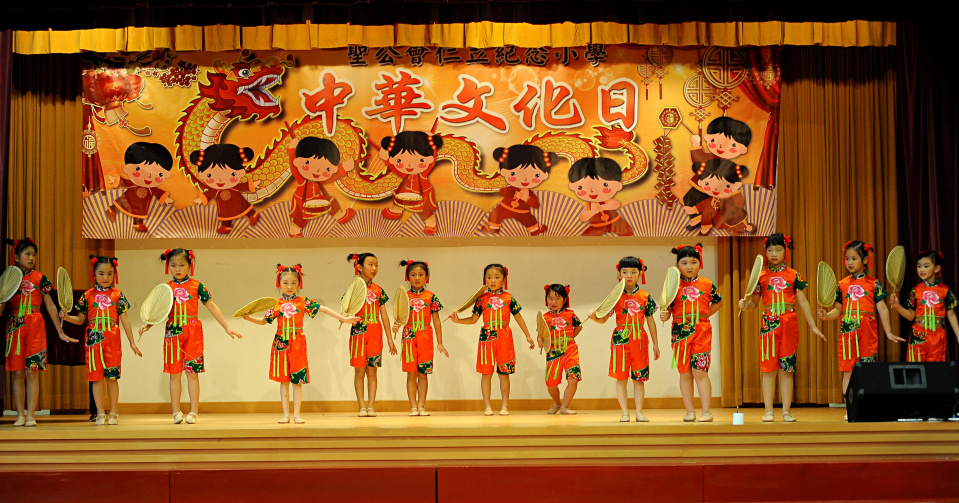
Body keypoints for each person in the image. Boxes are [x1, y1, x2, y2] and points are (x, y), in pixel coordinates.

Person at [139, 248, 243, 424]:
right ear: (168, 266)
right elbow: (160, 312)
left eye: (182, 265)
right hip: (173, 333)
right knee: (174, 374)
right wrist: (148, 324)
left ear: (190, 265)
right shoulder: (166, 289)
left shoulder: (197, 286)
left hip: (193, 333)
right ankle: (176, 412)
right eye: (173, 265)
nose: (177, 269)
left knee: (192, 373)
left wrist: (226, 327)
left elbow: (211, 306)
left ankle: (194, 411)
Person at [244, 264, 359, 423]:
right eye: (285, 283)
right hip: (280, 343)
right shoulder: (276, 304)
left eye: (293, 283)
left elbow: (324, 309)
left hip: (297, 343)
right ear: (279, 283)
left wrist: (343, 319)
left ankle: (297, 414)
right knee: (284, 380)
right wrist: (249, 318)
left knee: (297, 380)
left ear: (299, 284)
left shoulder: (303, 302)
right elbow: (264, 321)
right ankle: (285, 414)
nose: (289, 286)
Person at [739, 234, 825, 422]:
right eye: (770, 250)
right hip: (768, 324)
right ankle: (768, 411)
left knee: (787, 369)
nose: (773, 253)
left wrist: (813, 326)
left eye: (778, 249)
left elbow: (803, 301)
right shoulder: (761, 276)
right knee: (768, 369)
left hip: (789, 322)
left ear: (785, 251)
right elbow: (754, 304)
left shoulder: (794, 275)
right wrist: (745, 306)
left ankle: (786, 411)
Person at [3, 238, 77, 426]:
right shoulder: (9, 278)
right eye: (27, 254)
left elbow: (50, 306)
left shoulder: (40, 278)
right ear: (16, 257)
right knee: (18, 373)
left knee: (32, 371)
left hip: (35, 325)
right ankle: (20, 415)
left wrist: (60, 332)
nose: (31, 258)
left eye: (34, 254)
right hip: (15, 326)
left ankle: (31, 415)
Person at [61, 256, 141, 425]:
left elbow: (125, 319)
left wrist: (132, 342)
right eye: (101, 273)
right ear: (94, 273)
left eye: (109, 273)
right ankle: (99, 413)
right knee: (96, 378)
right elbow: (80, 319)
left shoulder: (118, 295)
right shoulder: (87, 296)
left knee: (112, 377)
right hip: (93, 338)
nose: (105, 277)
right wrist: (67, 317)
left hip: (112, 337)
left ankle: (114, 412)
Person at [449, 264, 535, 415]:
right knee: (486, 373)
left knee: (504, 373)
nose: (493, 280)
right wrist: (458, 320)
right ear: (485, 280)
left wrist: (528, 335)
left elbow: (519, 318)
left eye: (497, 277)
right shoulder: (481, 299)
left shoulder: (509, 298)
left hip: (504, 337)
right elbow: (474, 319)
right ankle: (487, 406)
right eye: (489, 277)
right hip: (486, 337)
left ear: (504, 279)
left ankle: (505, 406)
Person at [590, 257, 660, 422]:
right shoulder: (615, 297)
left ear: (640, 274)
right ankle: (624, 413)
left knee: (639, 378)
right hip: (620, 341)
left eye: (633, 272)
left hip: (639, 340)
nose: (629, 275)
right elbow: (603, 319)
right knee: (621, 378)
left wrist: (655, 344)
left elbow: (650, 320)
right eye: (625, 272)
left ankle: (639, 412)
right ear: (618, 274)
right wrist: (594, 317)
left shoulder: (645, 296)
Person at [660, 244, 722, 422]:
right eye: (684, 262)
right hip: (680, 332)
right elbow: (667, 309)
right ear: (677, 265)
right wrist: (665, 315)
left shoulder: (707, 284)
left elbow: (719, 301)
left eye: (693, 262)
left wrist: (704, 315)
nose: (689, 266)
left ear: (700, 263)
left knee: (700, 372)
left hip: (702, 332)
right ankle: (690, 411)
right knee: (685, 372)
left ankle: (706, 412)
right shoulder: (673, 285)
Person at [391, 260, 448, 416]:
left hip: (425, 336)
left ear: (427, 277)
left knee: (423, 373)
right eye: (413, 275)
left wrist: (440, 342)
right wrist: (396, 326)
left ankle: (422, 406)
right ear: (407, 277)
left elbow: (436, 321)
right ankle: (413, 407)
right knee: (411, 373)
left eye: (421, 275)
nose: (417, 278)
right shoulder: (404, 296)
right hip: (409, 336)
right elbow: (399, 317)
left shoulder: (431, 297)